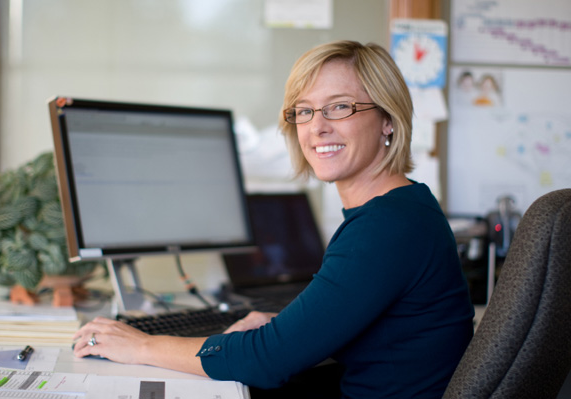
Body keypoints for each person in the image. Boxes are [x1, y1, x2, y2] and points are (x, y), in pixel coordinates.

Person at [73, 40, 474, 398]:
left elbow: (268, 359)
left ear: (387, 119)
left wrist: (141, 345)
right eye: (304, 110)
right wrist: (287, 323)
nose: (317, 127)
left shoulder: (388, 226)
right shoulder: (404, 209)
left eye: (339, 106)